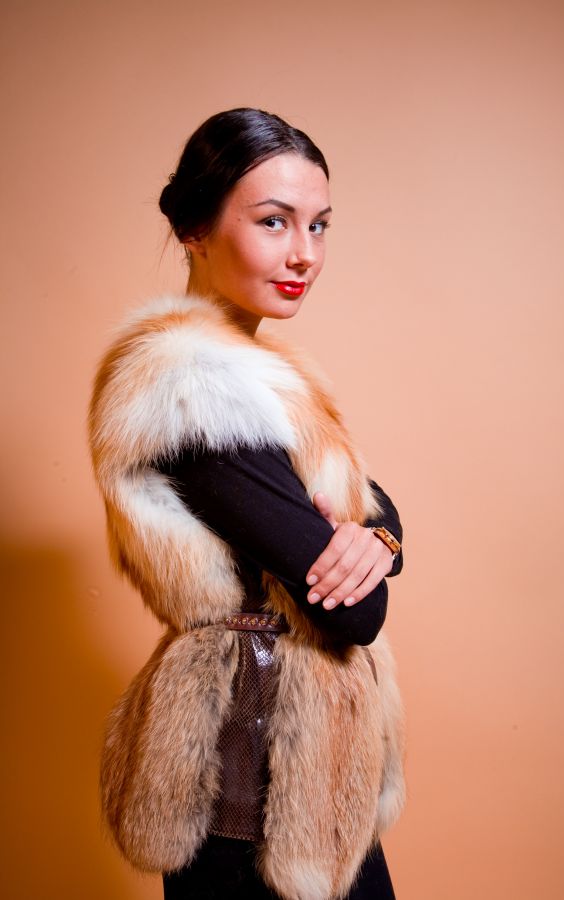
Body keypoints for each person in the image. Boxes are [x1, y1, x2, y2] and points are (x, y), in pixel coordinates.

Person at [89, 108, 405, 900]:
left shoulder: (262, 378)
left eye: (319, 225)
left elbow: (373, 509)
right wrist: (372, 540)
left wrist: (379, 539)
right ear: (194, 229)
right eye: (273, 222)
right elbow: (355, 614)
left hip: (302, 765)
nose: (305, 253)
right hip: (251, 769)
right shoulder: (188, 388)